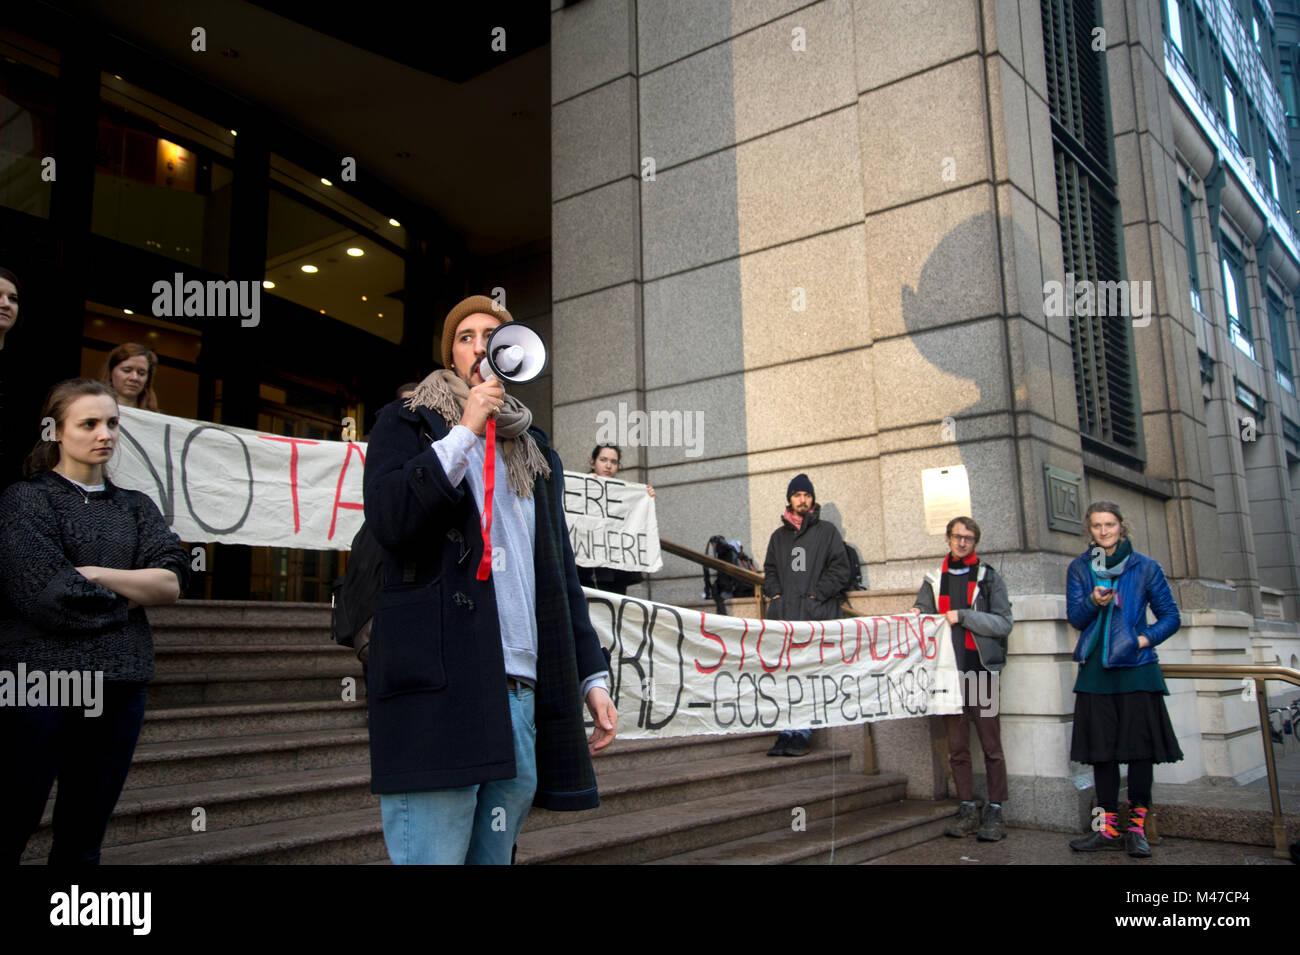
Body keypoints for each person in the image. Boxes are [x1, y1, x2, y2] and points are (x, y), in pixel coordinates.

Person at [362, 294, 618, 865]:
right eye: (465, 336)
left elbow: (557, 576)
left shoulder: (534, 450)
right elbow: (391, 518)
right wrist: (464, 432)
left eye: (492, 335)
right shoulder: (406, 424)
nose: (479, 346)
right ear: (451, 354)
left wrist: (590, 675)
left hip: (519, 689)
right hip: (443, 683)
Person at [0, 378, 188, 864]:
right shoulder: (26, 500)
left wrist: (99, 574)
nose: (104, 433)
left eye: (111, 423)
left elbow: (170, 583)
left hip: (120, 684)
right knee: (12, 817)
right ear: (56, 431)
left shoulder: (137, 506)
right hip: (39, 683)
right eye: (89, 424)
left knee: (84, 834)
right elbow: (49, 597)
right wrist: (129, 596)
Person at [1065, 501, 1182, 859]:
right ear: (1089, 529)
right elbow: (1075, 617)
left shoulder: (1145, 567)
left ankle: (1136, 830)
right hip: (1096, 673)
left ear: (1121, 526)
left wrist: (1141, 640)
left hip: (1136, 670)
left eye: (1110, 524)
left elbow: (1170, 617)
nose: (1104, 531)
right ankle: (1106, 830)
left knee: (1139, 754)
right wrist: (1093, 602)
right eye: (1097, 525)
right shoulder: (1080, 568)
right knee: (1102, 756)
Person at [909, 516, 1013, 841]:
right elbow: (921, 613)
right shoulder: (934, 579)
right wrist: (914, 614)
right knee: (957, 748)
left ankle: (995, 812)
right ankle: (967, 808)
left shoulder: (988, 578)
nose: (962, 542)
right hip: (947, 675)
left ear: (975, 542)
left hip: (979, 672)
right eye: (956, 536)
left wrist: (964, 616)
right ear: (948, 538)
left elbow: (1003, 623)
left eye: (968, 537)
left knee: (991, 745)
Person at [761, 472, 850, 757]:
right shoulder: (778, 537)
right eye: (798, 495)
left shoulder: (826, 532)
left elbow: (841, 569)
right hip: (785, 618)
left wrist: (816, 595)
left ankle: (802, 733)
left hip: (815, 616)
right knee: (786, 676)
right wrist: (775, 596)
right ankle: (785, 732)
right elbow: (770, 570)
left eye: (807, 495)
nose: (803, 499)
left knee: (809, 676)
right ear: (790, 499)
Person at [576, 443, 654, 596]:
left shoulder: (625, 493)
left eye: (613, 462)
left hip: (615, 568)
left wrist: (646, 498)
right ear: (592, 462)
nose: (608, 466)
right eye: (603, 460)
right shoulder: (577, 488)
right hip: (585, 567)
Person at [100, 343, 160, 412]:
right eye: (127, 370)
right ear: (111, 372)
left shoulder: (153, 419)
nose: (134, 378)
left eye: (141, 373)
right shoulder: (91, 408)